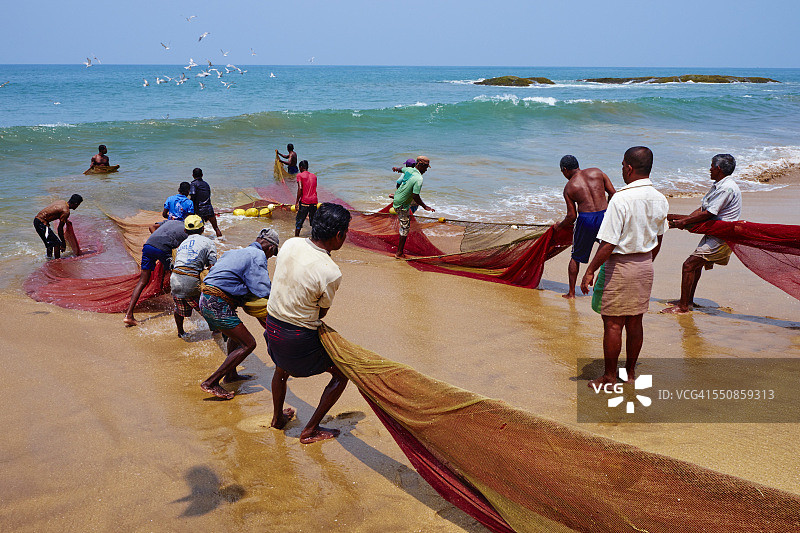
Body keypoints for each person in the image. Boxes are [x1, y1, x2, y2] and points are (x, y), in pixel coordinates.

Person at [580, 146, 668, 388]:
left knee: (613, 323)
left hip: (620, 265)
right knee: (635, 322)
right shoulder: (660, 199)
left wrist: (589, 270)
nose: (621, 170)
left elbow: (608, 243)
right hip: (645, 264)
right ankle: (629, 374)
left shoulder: (621, 198)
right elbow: (659, 239)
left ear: (629, 168)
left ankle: (609, 376)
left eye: (622, 166)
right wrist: (646, 261)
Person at [266, 203, 351, 443]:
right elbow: (321, 313)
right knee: (341, 374)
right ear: (338, 235)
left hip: (271, 327)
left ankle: (277, 418)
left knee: (280, 370)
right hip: (296, 340)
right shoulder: (330, 271)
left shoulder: (291, 243)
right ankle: (310, 429)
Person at [199, 228, 280, 400]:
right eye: (272, 254)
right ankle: (211, 382)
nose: (269, 257)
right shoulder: (257, 256)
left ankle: (231, 375)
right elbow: (262, 289)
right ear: (270, 248)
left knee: (236, 336)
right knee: (249, 344)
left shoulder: (235, 252)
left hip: (206, 299)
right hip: (217, 303)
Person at [662, 154, 741, 314]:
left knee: (689, 265)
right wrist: (685, 220)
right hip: (714, 232)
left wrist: (683, 223)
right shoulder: (719, 184)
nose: (709, 169)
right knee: (695, 266)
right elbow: (703, 209)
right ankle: (687, 301)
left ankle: (684, 307)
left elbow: (709, 213)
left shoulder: (726, 188)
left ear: (718, 169)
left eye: (711, 166)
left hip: (721, 236)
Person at [554, 155, 616, 299]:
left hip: (586, 220)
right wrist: (608, 212)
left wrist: (560, 226)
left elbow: (571, 216)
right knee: (608, 250)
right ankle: (608, 288)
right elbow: (613, 193)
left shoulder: (569, 187)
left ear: (564, 170)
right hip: (604, 216)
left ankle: (571, 293)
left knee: (575, 256)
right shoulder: (597, 172)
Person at [123, 219, 188, 327]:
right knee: (174, 276)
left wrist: (158, 243)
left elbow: (152, 227)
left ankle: (128, 316)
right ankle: (177, 306)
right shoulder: (187, 233)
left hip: (148, 246)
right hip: (163, 249)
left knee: (142, 281)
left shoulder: (169, 222)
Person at [170, 215, 217, 337]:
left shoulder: (182, 244)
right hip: (190, 280)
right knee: (206, 307)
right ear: (203, 229)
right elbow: (213, 267)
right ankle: (217, 330)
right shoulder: (209, 242)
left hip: (175, 279)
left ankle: (180, 332)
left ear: (185, 231)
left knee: (179, 307)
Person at [393, 155, 435, 258]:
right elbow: (415, 196)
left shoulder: (410, 170)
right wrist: (425, 207)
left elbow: (401, 169)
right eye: (425, 167)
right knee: (405, 228)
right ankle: (399, 253)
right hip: (401, 204)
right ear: (419, 164)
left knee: (412, 207)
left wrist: (395, 169)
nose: (426, 170)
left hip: (398, 198)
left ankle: (397, 200)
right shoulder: (419, 179)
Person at [189, 168, 223, 238]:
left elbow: (192, 195)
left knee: (199, 229)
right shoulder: (206, 184)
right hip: (209, 208)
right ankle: (221, 241)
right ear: (202, 175)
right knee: (216, 228)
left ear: (192, 175)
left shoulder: (193, 184)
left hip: (199, 210)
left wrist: (192, 210)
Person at [294, 160, 319, 237]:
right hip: (314, 202)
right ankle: (315, 239)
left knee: (299, 222)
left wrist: (296, 202)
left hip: (305, 202)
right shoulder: (314, 176)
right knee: (314, 222)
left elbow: (300, 188)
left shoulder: (299, 175)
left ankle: (296, 238)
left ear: (301, 167)